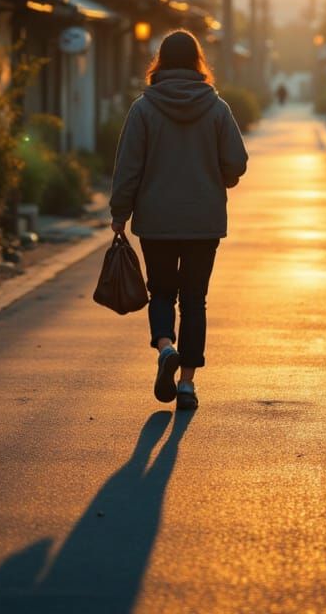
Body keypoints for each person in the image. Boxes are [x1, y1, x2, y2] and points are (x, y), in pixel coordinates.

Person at [109, 30, 249, 411]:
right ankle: (186, 384)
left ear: (160, 62)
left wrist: (119, 212)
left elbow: (128, 168)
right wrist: (222, 177)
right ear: (197, 61)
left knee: (162, 293)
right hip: (203, 220)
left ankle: (165, 346)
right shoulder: (217, 107)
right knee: (194, 300)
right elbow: (236, 162)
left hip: (156, 221)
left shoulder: (143, 108)